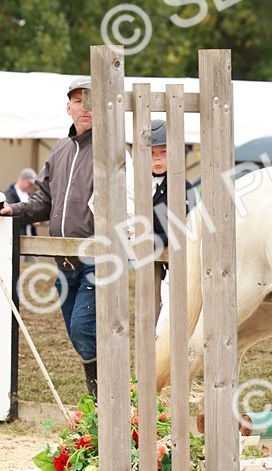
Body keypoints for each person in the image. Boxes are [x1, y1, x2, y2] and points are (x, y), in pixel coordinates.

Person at [0, 75, 132, 396]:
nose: (84, 107)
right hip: (63, 261)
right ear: (68, 108)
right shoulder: (59, 151)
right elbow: (43, 201)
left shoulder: (113, 151)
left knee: (83, 327)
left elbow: (127, 201)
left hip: (97, 258)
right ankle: (110, 395)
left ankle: (105, 397)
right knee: (78, 334)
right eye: (77, 100)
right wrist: (12, 210)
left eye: (90, 100)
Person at [149, 118, 195, 334]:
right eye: (151, 153)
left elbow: (186, 225)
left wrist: (154, 239)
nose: (157, 159)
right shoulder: (133, 185)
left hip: (173, 256)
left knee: (170, 309)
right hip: (144, 258)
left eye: (163, 152)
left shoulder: (183, 186)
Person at [3, 167, 38, 236]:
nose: (30, 186)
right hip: (16, 233)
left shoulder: (30, 195)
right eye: (29, 183)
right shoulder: (9, 195)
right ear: (23, 179)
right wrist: (31, 221)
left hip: (30, 233)